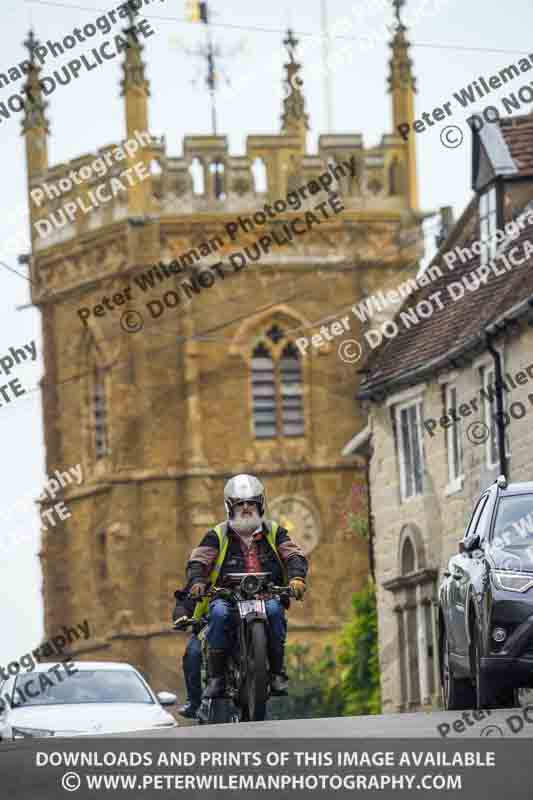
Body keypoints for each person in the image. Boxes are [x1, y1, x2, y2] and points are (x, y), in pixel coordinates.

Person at [185, 474, 308, 699]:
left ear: (261, 504)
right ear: (229, 507)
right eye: (240, 504)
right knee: (219, 613)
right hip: (227, 596)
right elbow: (198, 561)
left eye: (251, 503)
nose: (246, 508)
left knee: (274, 611)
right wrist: (197, 582)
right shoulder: (217, 534)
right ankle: (217, 678)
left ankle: (276, 673)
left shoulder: (274, 531)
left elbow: (294, 555)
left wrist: (297, 578)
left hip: (267, 594)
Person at [172, 587, 203, 719]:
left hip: (249, 624)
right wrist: (181, 615)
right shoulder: (202, 575)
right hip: (205, 628)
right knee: (192, 654)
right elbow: (185, 600)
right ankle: (194, 701)